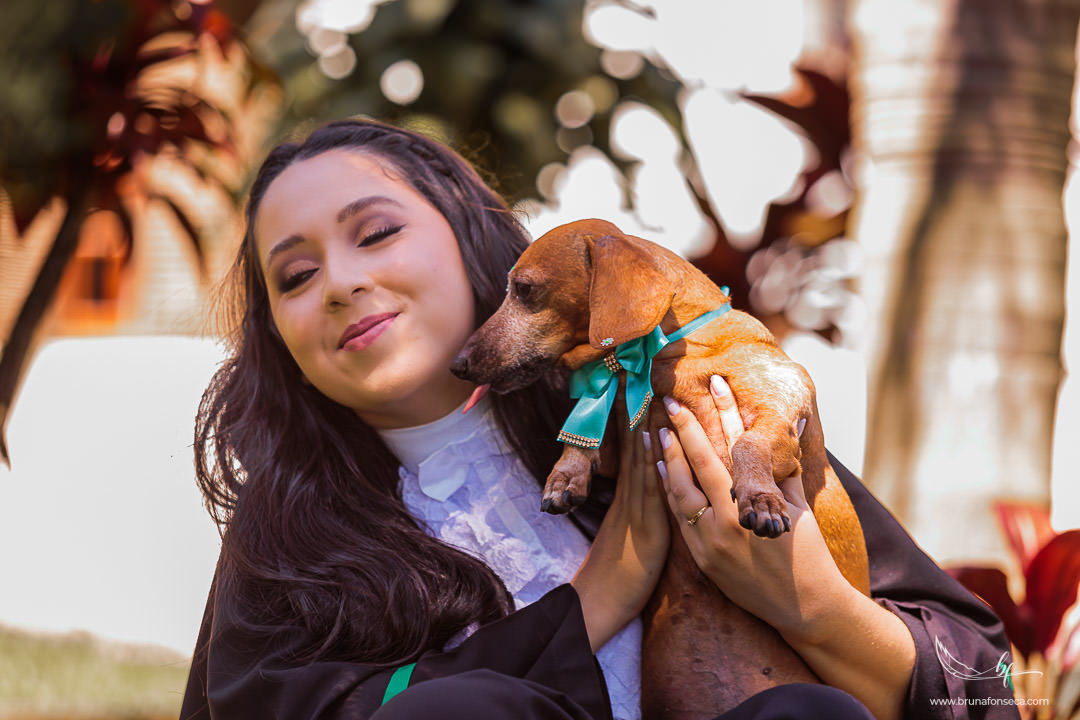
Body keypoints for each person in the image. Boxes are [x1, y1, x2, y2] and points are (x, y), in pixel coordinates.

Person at [180, 118, 1019, 720]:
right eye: (293, 277)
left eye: (377, 232)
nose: (337, 282)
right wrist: (601, 591)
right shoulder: (288, 536)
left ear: (476, 240)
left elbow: (981, 686)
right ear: (278, 337)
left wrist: (810, 605)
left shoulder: (663, 401)